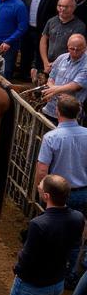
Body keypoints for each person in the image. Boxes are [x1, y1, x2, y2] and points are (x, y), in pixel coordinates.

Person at [36, 94, 87, 281]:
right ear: (78, 112)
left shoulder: (51, 137)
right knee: (76, 237)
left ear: (57, 112)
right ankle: (69, 274)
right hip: (82, 191)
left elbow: (42, 169)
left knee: (51, 232)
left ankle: (48, 269)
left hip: (58, 193)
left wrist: (41, 190)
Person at [18, 0, 64, 79]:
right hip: (28, 27)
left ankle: (39, 77)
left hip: (44, 30)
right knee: (25, 51)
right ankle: (23, 75)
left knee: (41, 54)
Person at [39, 34, 87, 120]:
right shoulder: (61, 58)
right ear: (68, 46)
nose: (75, 52)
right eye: (72, 49)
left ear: (85, 48)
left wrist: (53, 91)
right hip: (51, 108)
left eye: (78, 49)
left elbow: (75, 85)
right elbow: (51, 78)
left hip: (69, 112)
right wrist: (53, 88)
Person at [40, 0, 86, 73]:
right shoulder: (51, 21)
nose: (62, 9)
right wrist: (45, 62)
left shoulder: (79, 26)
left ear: (74, 8)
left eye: (66, 7)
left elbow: (76, 49)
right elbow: (43, 41)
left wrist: (55, 64)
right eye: (60, 6)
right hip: (48, 64)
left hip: (67, 66)